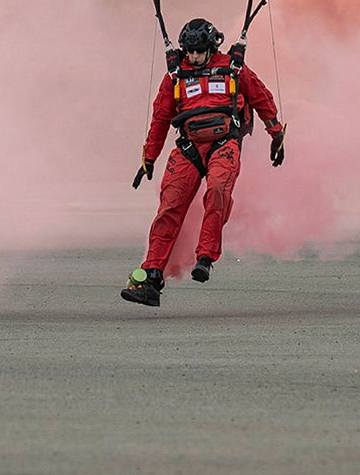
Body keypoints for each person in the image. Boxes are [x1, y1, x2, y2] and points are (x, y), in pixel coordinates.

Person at [121, 18, 285, 306]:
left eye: (199, 51)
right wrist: (149, 157)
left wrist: (276, 134)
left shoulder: (234, 69)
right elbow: (160, 119)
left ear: (211, 47)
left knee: (218, 190)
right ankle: (151, 277)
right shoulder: (175, 76)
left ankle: (205, 257)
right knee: (169, 208)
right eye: (189, 52)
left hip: (225, 143)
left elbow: (262, 98)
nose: (194, 57)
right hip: (188, 147)